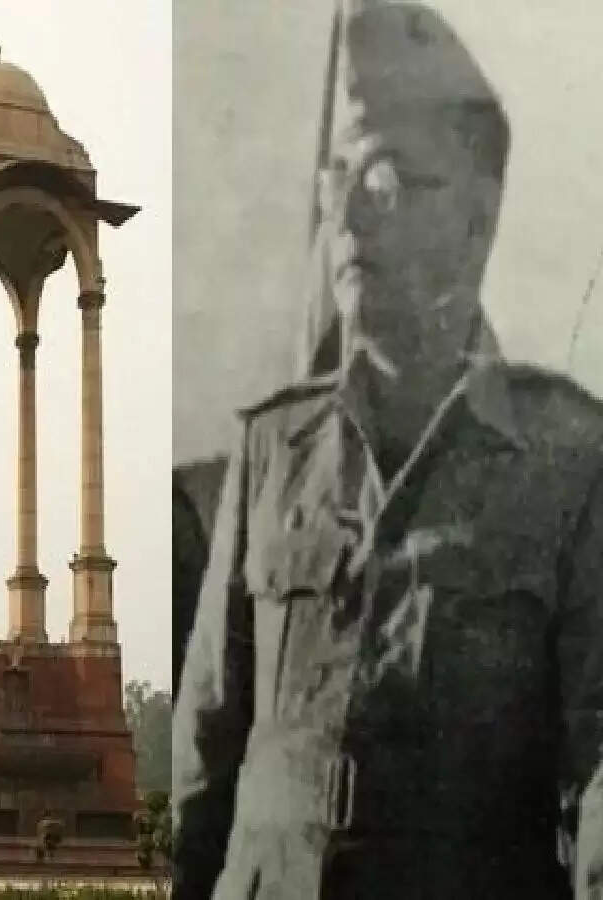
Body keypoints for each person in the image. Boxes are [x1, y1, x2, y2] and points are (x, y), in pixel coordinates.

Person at [173, 3, 603, 897]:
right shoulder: (272, 449)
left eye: (394, 176)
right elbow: (204, 768)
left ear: (479, 222)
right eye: (343, 180)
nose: (354, 216)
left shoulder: (571, 461)